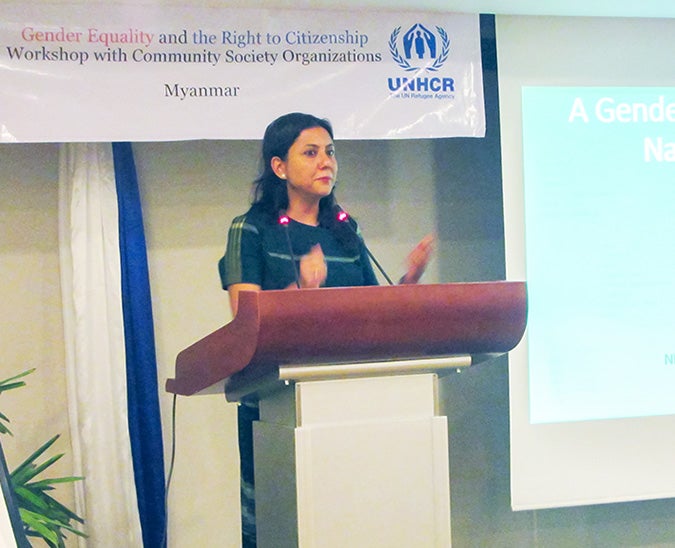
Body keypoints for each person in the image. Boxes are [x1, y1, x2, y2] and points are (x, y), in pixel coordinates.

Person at [217, 112, 434, 547]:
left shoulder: (345, 230)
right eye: (311, 153)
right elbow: (245, 323)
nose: (326, 163)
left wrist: (408, 283)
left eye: (331, 153)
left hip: (352, 404)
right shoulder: (252, 229)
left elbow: (373, 313)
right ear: (279, 167)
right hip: (277, 405)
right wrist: (300, 291)